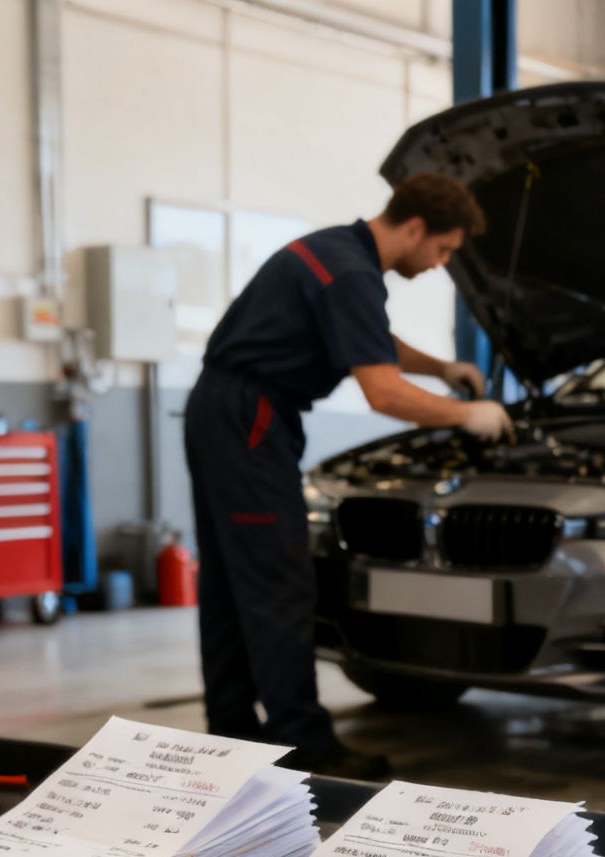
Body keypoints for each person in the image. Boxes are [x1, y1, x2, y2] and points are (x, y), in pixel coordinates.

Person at [184, 172, 511, 774]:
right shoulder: (355, 273)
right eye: (442, 249)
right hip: (251, 418)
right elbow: (382, 392)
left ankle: (228, 733)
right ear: (414, 227)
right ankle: (304, 744)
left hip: (222, 409)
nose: (440, 263)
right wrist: (471, 414)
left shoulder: (337, 249)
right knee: (279, 583)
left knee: (232, 581)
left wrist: (442, 366)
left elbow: (370, 339)